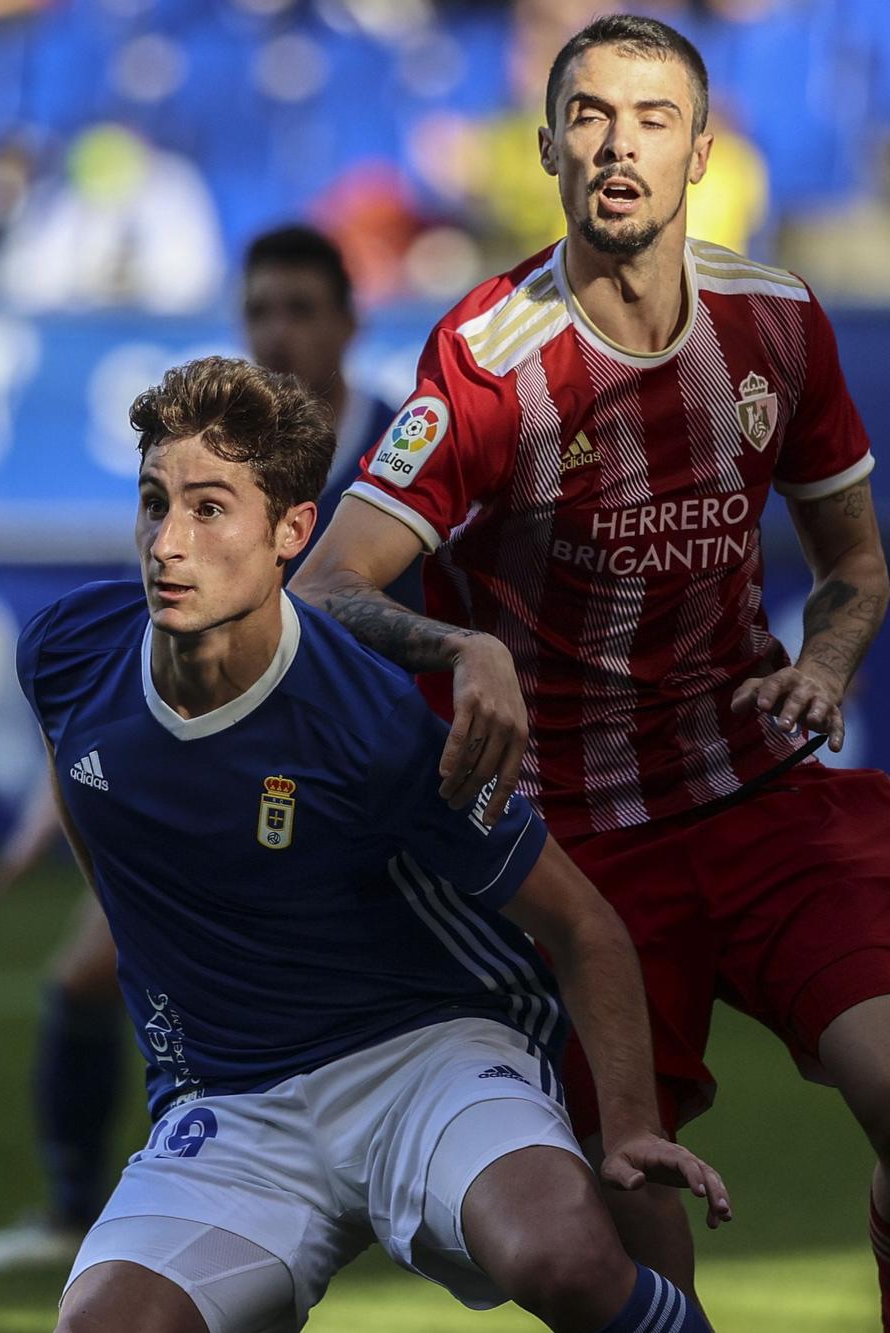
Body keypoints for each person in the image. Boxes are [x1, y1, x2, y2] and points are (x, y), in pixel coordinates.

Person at [291, 13, 890, 1322]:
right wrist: (463, 650)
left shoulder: (779, 326)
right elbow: (327, 588)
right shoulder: (490, 363)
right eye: (594, 118)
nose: (622, 145)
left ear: (702, 155)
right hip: (574, 849)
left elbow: (857, 568)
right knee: (632, 1272)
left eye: (654, 119)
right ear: (553, 150)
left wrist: (828, 663)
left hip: (755, 798)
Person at [39, 354, 725, 1333]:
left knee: (565, 1261)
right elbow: (98, 825)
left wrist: (624, 1132)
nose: (166, 541)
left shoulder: (374, 726)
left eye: (206, 508)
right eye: (153, 501)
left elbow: (578, 926)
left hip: (425, 1059)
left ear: (290, 532)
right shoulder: (65, 653)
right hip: (234, 1109)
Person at [0, 224, 412, 1275]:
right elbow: (143, 662)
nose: (279, 331)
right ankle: (72, 1206)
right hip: (213, 784)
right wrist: (46, 806)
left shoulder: (403, 454)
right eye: (260, 310)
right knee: (79, 974)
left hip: (372, 786)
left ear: (349, 321)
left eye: (300, 308)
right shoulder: (215, 471)